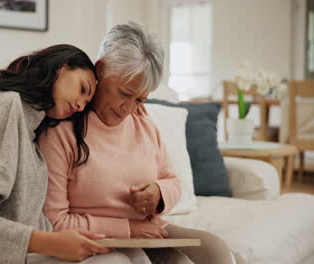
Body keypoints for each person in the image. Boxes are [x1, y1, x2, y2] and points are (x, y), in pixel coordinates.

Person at [39, 22, 234, 264]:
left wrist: (158, 193)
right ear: (101, 69)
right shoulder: (63, 127)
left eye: (140, 99)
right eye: (124, 93)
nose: (129, 109)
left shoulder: (143, 121)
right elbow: (54, 222)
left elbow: (172, 180)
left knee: (215, 251)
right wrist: (128, 228)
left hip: (146, 233)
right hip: (93, 238)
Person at [0, 44, 133, 264]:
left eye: (86, 102)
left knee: (129, 256)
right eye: (83, 89)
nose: (82, 106)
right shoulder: (5, 106)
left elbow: (27, 221)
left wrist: (67, 241)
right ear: (61, 68)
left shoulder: (32, 132)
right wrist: (53, 243)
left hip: (17, 257)